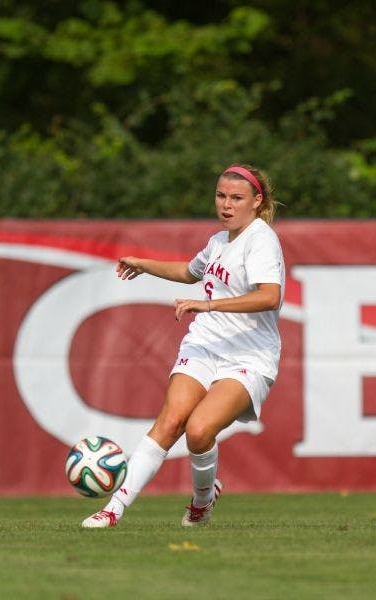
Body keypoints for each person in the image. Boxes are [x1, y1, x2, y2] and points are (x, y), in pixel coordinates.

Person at [82, 163, 285, 528]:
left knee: (199, 430)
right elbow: (190, 272)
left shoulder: (261, 240)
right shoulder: (219, 241)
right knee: (171, 421)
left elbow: (270, 296)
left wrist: (209, 305)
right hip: (204, 344)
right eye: (221, 196)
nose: (226, 205)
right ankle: (113, 510)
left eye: (236, 198)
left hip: (249, 355)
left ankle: (203, 500)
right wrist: (143, 264)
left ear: (257, 201)